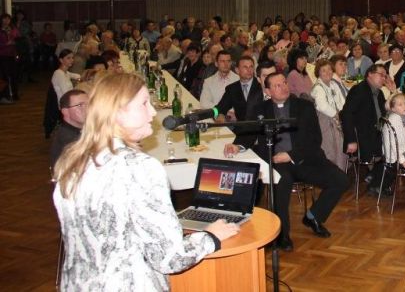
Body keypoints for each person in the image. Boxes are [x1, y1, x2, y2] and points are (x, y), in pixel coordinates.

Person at [54, 73, 240, 290]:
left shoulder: (72, 161)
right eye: (144, 104)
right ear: (117, 112)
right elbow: (170, 257)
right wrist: (210, 237)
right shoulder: (139, 167)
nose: (152, 112)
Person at [227, 73, 348, 251]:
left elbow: (315, 139)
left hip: (306, 158)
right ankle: (282, 235)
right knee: (281, 183)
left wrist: (291, 155)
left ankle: (313, 216)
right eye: (277, 85)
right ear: (268, 91)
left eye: (284, 82)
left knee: (341, 180)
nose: (284, 87)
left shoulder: (304, 106)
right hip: (277, 161)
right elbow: (248, 133)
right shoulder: (260, 109)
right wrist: (237, 145)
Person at [340, 64, 388, 186]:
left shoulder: (379, 93)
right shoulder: (359, 90)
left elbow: (386, 113)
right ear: (370, 74)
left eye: (385, 76)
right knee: (390, 151)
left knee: (396, 146)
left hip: (376, 134)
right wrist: (351, 140)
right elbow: (346, 114)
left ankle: (376, 178)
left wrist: (393, 91)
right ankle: (377, 181)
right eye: (381, 75)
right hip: (361, 137)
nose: (383, 78)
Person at [310, 60, 348, 171]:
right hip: (325, 122)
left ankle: (341, 167)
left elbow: (342, 101)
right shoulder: (318, 88)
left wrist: (344, 114)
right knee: (333, 148)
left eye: (330, 69)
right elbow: (322, 106)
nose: (328, 72)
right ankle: (335, 169)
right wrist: (337, 114)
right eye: (324, 70)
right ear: (318, 73)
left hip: (337, 119)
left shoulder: (333, 84)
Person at [49, 89, 88, 168]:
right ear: (65, 112)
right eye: (80, 105)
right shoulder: (69, 140)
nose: (88, 109)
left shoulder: (79, 130)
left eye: (90, 104)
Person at [0, 13, 19, 103]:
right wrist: (6, 44)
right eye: (4, 19)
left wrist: (15, 41)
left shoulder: (13, 29)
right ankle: (5, 96)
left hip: (12, 55)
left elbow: (19, 39)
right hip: (2, 55)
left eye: (8, 19)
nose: (6, 21)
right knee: (4, 76)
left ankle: (15, 94)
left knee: (14, 75)